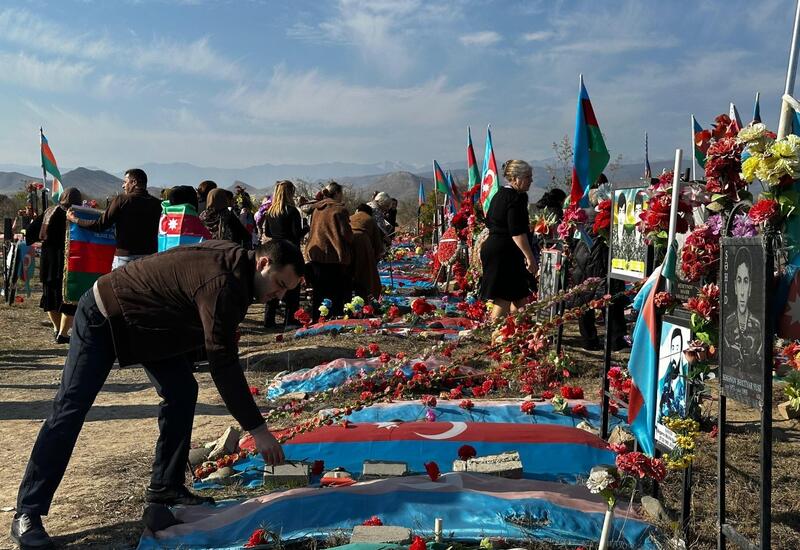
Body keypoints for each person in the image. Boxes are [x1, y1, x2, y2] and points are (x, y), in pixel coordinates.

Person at [10, 240, 305, 549]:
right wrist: (257, 429)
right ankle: (28, 512)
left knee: (182, 391)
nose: (279, 295)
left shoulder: (239, 270)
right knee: (70, 408)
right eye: (279, 284)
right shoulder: (223, 281)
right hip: (105, 313)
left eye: (286, 290)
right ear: (262, 264)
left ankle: (166, 488)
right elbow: (223, 361)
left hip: (148, 324)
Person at [67, 168, 161, 270]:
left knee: (119, 286)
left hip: (125, 258)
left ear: (134, 182)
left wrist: (75, 219)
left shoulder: (122, 200)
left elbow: (99, 225)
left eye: (125, 182)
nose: (123, 185)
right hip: (149, 259)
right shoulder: (157, 204)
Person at [480, 160, 536, 321]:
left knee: (519, 295)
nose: (531, 180)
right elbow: (517, 232)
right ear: (516, 178)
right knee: (504, 297)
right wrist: (530, 257)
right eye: (528, 177)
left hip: (497, 248)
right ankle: (495, 336)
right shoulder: (514, 198)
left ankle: (517, 333)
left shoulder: (500, 195)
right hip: (504, 252)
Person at [26, 188, 83, 344]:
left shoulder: (49, 212)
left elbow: (30, 232)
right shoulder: (81, 214)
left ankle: (58, 330)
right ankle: (63, 334)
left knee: (50, 298)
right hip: (72, 262)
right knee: (70, 300)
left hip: (50, 262)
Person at [261, 181, 306, 329]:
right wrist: (306, 227)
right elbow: (296, 234)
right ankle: (291, 320)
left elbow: (267, 232)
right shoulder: (292, 211)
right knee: (292, 286)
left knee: (274, 284)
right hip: (290, 251)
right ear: (290, 193)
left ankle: (269, 320)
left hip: (274, 250)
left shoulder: (270, 212)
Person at [306, 181, 353, 321]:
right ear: (337, 193)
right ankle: (334, 317)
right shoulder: (339, 210)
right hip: (333, 254)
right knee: (335, 290)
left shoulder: (317, 209)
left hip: (316, 253)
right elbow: (346, 234)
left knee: (319, 290)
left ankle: (317, 317)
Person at [723, 247, 763, 363]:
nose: (741, 292)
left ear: (750, 288)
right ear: (735, 286)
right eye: (739, 281)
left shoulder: (756, 325)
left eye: (745, 281)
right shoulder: (728, 322)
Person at [349, 203, 384, 299]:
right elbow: (377, 242)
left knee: (349, 271)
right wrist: (375, 258)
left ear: (357, 210)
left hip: (347, 242)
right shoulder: (370, 219)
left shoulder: (350, 217)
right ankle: (364, 297)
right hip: (362, 244)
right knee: (365, 273)